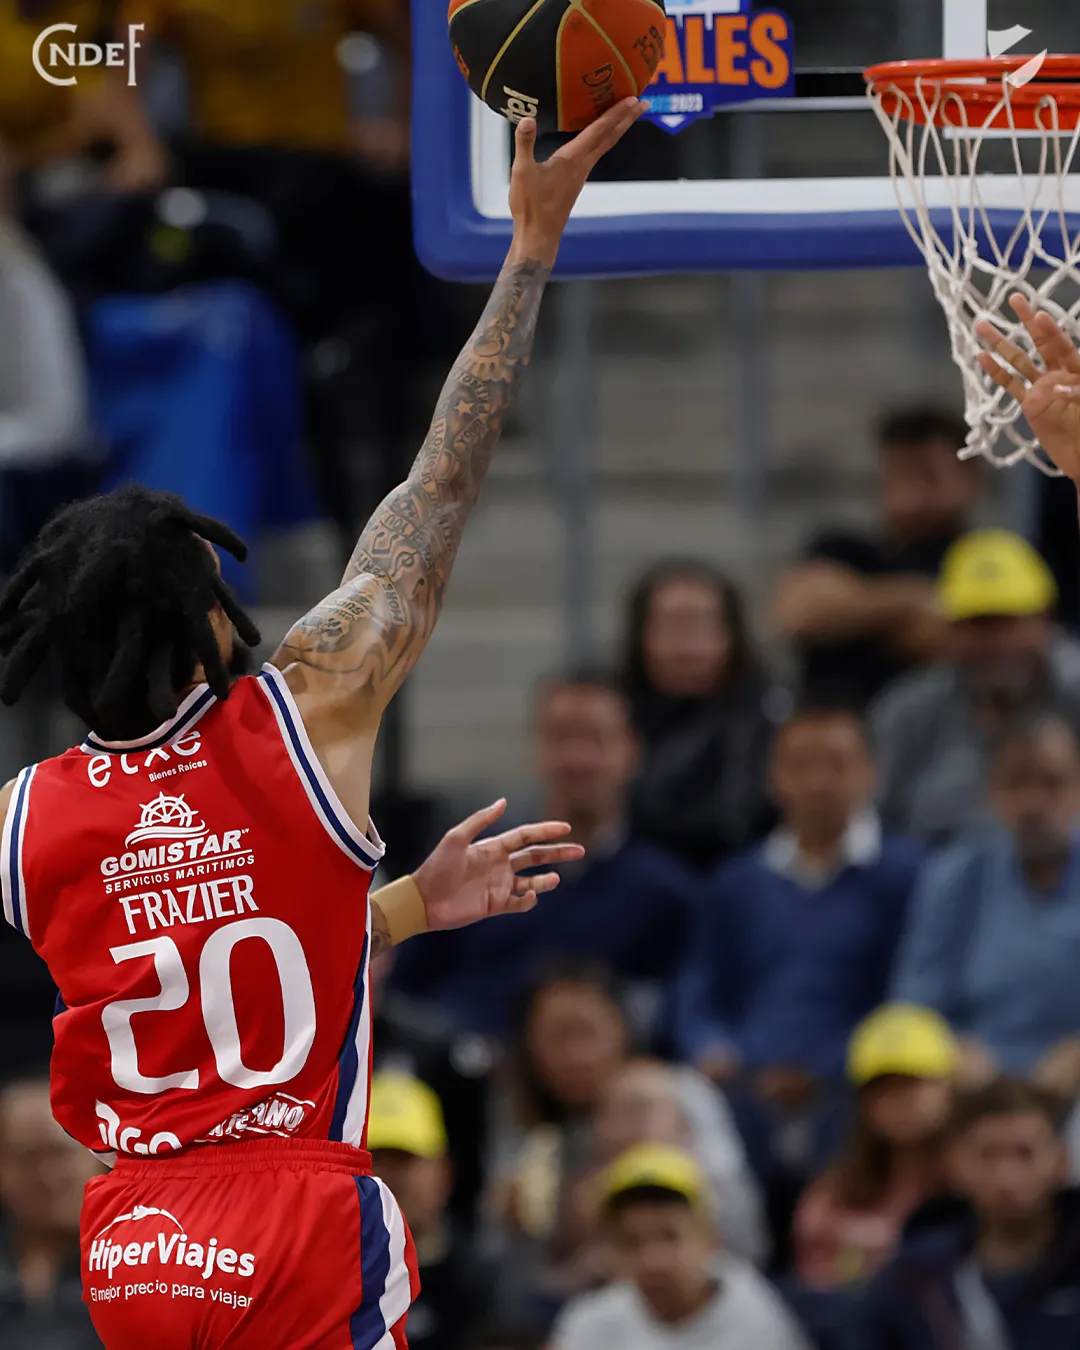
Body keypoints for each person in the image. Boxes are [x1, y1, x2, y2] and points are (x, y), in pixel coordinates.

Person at [0, 98, 644, 1350]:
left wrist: (402, 911)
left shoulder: (28, 818)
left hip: (134, 1239)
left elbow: (198, 953)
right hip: (292, 1208)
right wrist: (528, 253)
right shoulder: (303, 715)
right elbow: (437, 485)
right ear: (205, 619)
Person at [678, 706, 922, 1180]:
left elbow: (909, 991)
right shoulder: (737, 882)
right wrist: (712, 1044)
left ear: (870, 773)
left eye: (836, 764)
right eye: (801, 765)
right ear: (774, 777)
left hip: (856, 1086)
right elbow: (698, 986)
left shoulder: (906, 875)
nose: (818, 782)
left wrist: (829, 1065)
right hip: (747, 1085)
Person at [392, 671, 695, 1045]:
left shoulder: (663, 890)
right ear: (536, 747)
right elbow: (401, 988)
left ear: (633, 750)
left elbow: (678, 1014)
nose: (577, 760)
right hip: (459, 1062)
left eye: (596, 740)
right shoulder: (473, 862)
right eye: (561, 738)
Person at [891, 710, 1080, 1080]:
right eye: (1017, 783)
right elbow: (915, 1004)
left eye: (1052, 783)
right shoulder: (954, 877)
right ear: (992, 792)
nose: (1033, 803)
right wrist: (953, 1048)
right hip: (977, 1083)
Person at [871, 528, 1080, 843]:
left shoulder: (1074, 693)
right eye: (978, 625)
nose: (997, 644)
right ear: (950, 630)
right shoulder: (909, 714)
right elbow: (874, 829)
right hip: (934, 868)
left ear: (1045, 619)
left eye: (1008, 622)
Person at [773, 407, 978, 710]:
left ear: (971, 480)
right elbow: (798, 614)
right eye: (900, 474)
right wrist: (914, 602)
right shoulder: (839, 547)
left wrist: (852, 611)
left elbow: (955, 642)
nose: (912, 493)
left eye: (929, 476)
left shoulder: (985, 559)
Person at [863, 1078, 1080, 1350]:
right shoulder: (913, 1278)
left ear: (1061, 1162)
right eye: (988, 1155)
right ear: (955, 1164)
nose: (1006, 1178)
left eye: (1025, 1154)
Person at [548, 1143, 811, 1350]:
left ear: (710, 1239)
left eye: (670, 1236)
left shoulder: (757, 1320)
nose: (653, 1259)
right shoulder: (589, 1322)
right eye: (631, 1242)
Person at [622, 560, 782, 872]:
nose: (685, 646)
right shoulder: (612, 713)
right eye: (672, 626)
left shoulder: (769, 717)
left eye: (699, 626)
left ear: (731, 635)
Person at [793, 1005, 956, 1292]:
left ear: (948, 1086)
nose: (897, 1100)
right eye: (881, 1088)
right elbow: (814, 1277)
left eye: (911, 1083)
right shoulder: (837, 1188)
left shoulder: (970, 1181)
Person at [367, 1072, 486, 1350]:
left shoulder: (481, 1278)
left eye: (406, 1159)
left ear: (444, 1172)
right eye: (376, 1158)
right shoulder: (327, 1279)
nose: (391, 1177)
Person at [0, 1077, 104, 1350]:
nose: (47, 1176)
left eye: (61, 1154)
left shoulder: (152, 1271)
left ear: (98, 1159)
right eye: (28, 1158)